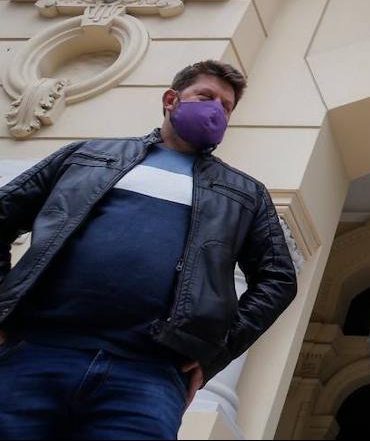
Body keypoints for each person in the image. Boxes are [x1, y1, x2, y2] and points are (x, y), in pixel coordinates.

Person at [0, 60, 298, 439]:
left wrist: (216, 352)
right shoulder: (86, 156)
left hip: (148, 378)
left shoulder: (245, 193)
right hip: (35, 354)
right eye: (206, 97)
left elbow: (278, 278)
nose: (216, 111)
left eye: (225, 107)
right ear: (171, 99)